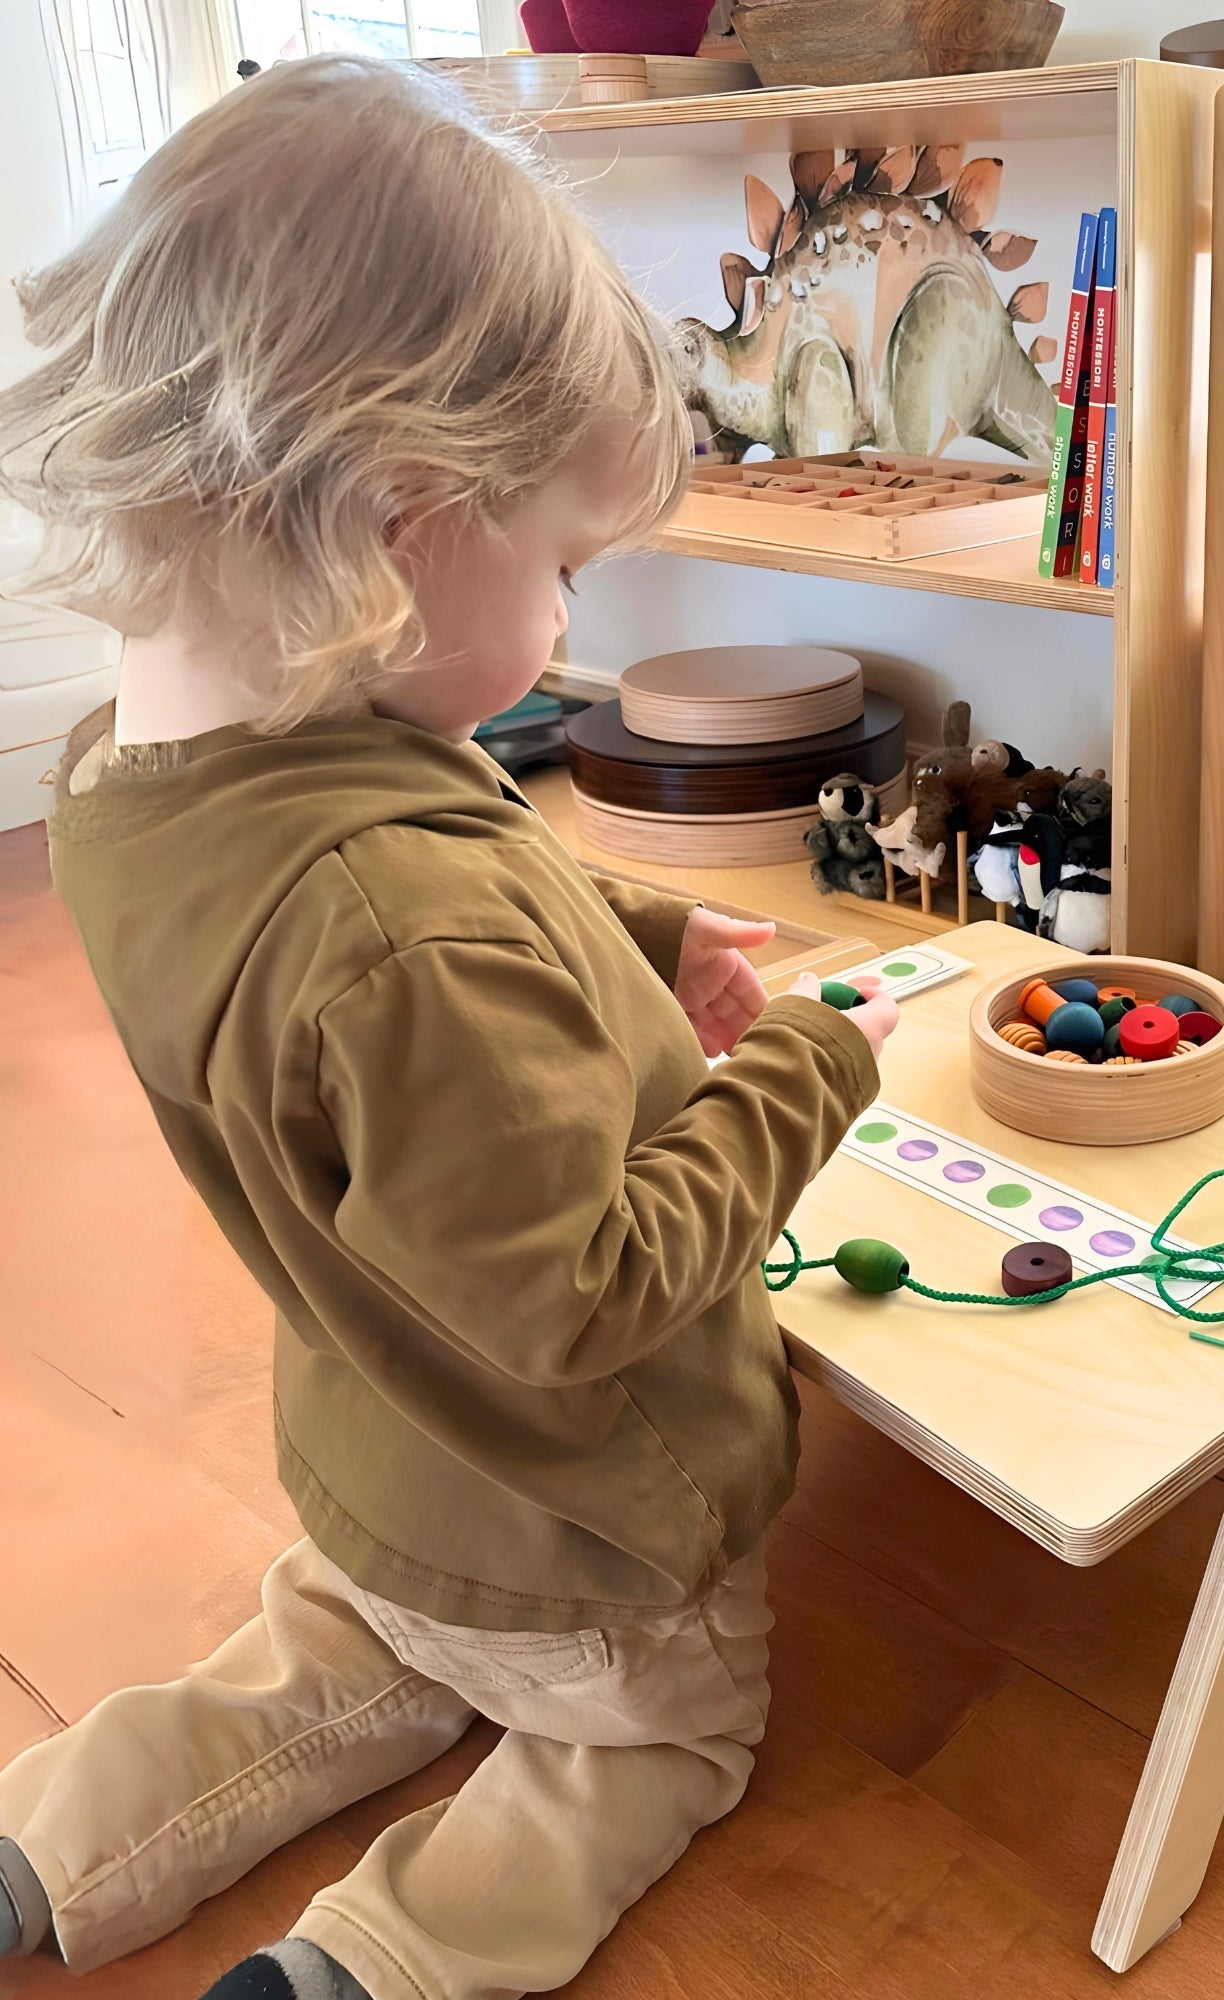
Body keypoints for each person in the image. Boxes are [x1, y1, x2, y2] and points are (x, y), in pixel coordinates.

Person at [0, 55, 896, 2000]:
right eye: (564, 566)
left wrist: (631, 933)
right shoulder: (394, 931)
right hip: (582, 1530)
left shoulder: (130, 782)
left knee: (321, 1653)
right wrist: (807, 1070)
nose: (569, 629)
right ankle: (371, 1967)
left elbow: (413, 932)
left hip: (378, 1469)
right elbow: (584, 1288)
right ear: (403, 524)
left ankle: (46, 1841)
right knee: (646, 1742)